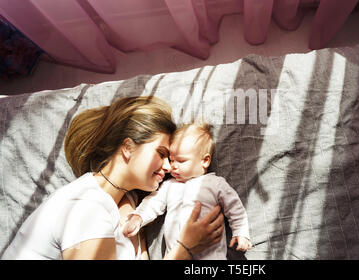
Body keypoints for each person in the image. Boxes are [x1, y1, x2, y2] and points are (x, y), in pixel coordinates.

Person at [1, 96, 224, 260]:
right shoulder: (86, 207)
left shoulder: (128, 205)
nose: (168, 166)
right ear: (128, 147)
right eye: (161, 154)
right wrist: (185, 247)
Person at [123, 123, 251, 259]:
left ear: (205, 161)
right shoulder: (169, 185)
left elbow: (235, 208)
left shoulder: (215, 183)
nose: (173, 167)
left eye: (181, 161)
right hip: (176, 254)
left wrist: (241, 232)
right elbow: (153, 202)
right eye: (171, 160)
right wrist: (138, 217)